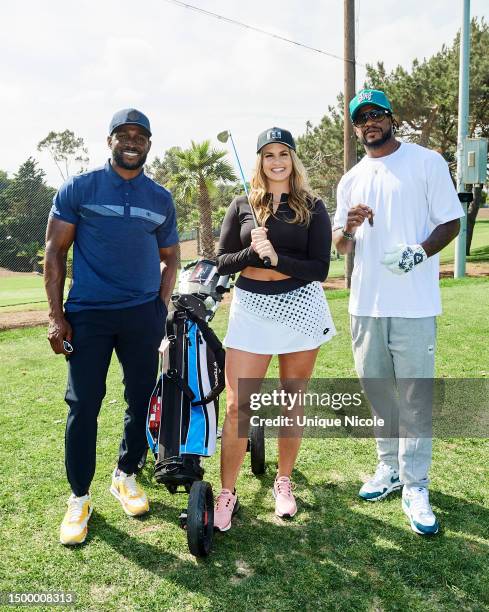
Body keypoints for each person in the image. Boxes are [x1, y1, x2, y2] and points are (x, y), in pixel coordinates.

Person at [44, 108, 179, 545]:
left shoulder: (159, 198)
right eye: (124, 134)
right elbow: (54, 253)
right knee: (84, 404)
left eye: (140, 136)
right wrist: (55, 315)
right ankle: (79, 497)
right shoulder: (79, 188)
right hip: (88, 313)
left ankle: (125, 474)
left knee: (142, 398)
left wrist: (160, 305)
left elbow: (171, 255)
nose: (132, 141)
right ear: (110, 141)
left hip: (142, 314)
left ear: (148, 145)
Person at [333, 89, 463, 535]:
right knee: (379, 395)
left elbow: (451, 221)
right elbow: (341, 245)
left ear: (392, 118)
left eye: (376, 114)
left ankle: (416, 485)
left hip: (413, 304)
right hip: (365, 305)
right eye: (361, 118)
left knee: (413, 397)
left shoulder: (426, 162)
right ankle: (388, 469)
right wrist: (347, 227)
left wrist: (419, 253)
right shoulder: (350, 179)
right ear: (355, 128)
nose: (370, 122)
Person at [214, 127, 336, 531]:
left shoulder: (314, 206)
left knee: (291, 398)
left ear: (293, 159)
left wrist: (276, 258)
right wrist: (253, 251)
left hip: (299, 306)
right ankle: (226, 492)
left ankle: (284, 482)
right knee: (237, 405)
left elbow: (320, 268)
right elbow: (222, 261)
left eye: (284, 153)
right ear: (260, 161)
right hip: (250, 308)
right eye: (269, 154)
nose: (277, 160)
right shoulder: (241, 204)